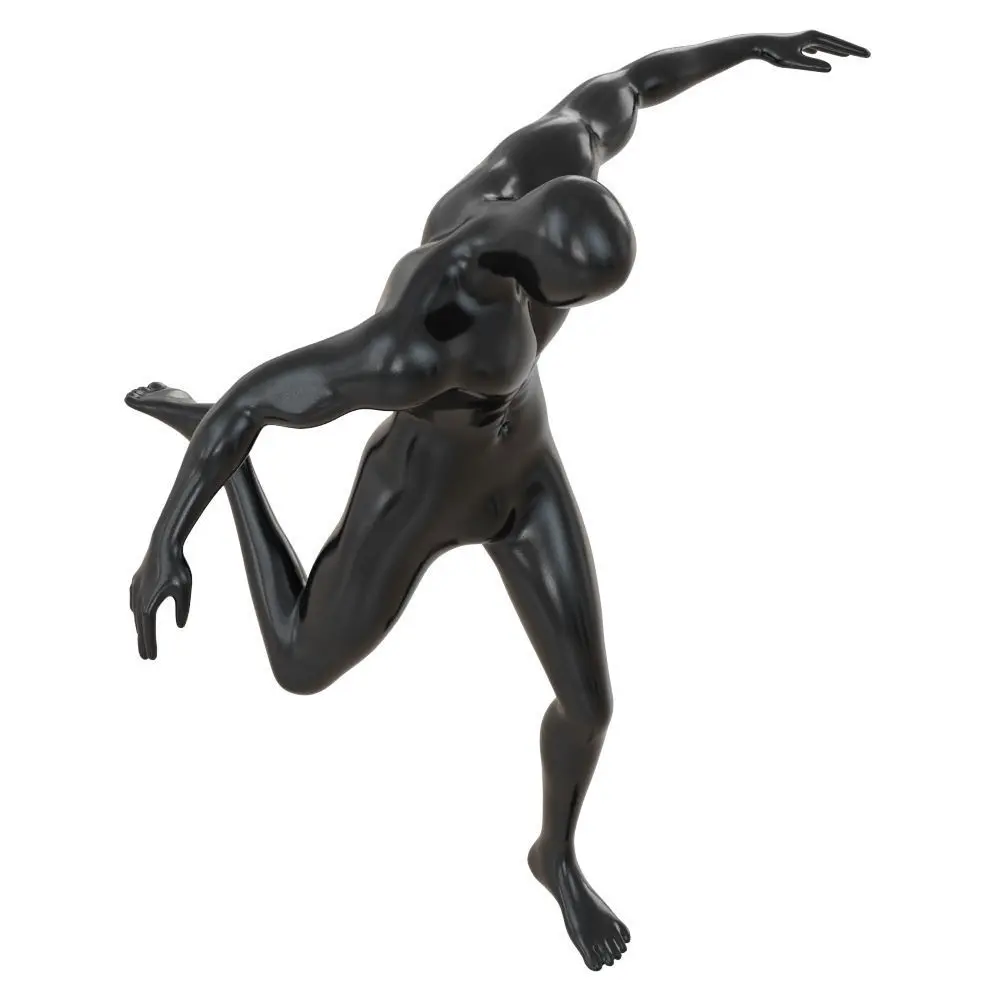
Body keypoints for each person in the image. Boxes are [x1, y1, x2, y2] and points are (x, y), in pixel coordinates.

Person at [127, 30, 869, 971]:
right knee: (298, 667)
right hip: (420, 497)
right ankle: (227, 472)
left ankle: (553, 856)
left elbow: (633, 82)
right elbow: (254, 403)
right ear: (530, 272)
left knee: (590, 705)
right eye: (573, 300)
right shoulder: (415, 340)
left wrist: (756, 45)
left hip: (524, 479)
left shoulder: (553, 154)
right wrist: (163, 545)